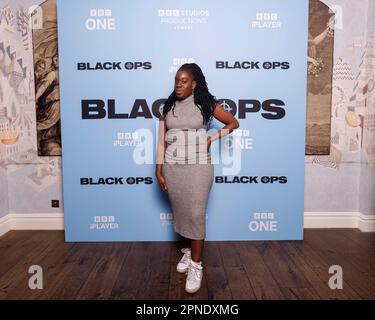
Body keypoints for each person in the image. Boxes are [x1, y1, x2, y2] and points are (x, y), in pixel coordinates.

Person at [155, 63, 239, 293]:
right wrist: (158, 169)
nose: (179, 85)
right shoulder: (168, 107)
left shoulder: (206, 104)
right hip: (173, 167)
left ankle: (196, 264)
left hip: (198, 167)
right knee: (182, 212)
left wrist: (212, 138)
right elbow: (162, 141)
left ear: (194, 84)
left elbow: (233, 123)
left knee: (196, 214)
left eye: (184, 81)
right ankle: (188, 252)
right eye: (176, 80)